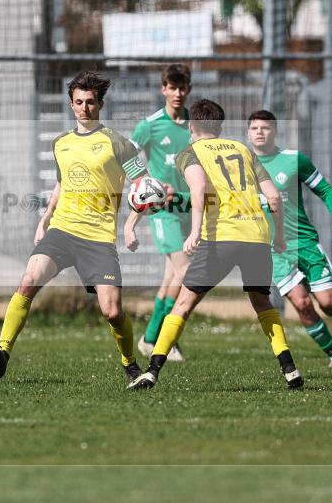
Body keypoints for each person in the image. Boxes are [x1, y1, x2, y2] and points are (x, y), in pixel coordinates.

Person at [0, 70, 171, 383]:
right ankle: (3, 352)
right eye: (79, 102)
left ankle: (130, 364)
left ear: (100, 105)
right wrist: (44, 220)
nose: (85, 107)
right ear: (71, 104)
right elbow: (61, 185)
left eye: (91, 102)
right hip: (62, 231)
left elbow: (144, 186)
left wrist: (131, 224)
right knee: (28, 281)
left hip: (98, 238)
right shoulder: (61, 144)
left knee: (112, 312)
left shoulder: (118, 144)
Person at [128, 99, 302, 391]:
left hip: (221, 237)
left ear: (191, 126)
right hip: (257, 236)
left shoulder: (189, 152)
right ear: (220, 127)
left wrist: (194, 232)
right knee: (262, 302)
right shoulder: (243, 150)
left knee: (183, 304)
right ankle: (290, 369)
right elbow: (273, 197)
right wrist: (280, 237)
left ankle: (152, 371)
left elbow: (199, 189)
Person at [247, 110, 332, 367]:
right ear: (248, 133)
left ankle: (310, 281)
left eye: (265, 127)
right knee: (302, 303)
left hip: (304, 242)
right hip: (273, 249)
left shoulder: (293, 159)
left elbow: (325, 189)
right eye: (254, 128)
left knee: (329, 305)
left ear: (275, 131)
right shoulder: (241, 166)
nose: (260, 132)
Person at [126, 63, 193, 362]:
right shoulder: (150, 125)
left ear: (188, 89)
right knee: (186, 271)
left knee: (172, 276)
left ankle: (151, 338)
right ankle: (168, 337)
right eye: (172, 87)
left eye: (182, 88)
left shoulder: (194, 124)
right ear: (163, 89)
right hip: (163, 211)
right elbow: (125, 154)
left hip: (188, 207)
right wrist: (146, 184)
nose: (177, 93)